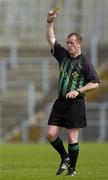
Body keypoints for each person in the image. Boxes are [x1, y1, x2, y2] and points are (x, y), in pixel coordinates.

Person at [46, 9, 99, 176]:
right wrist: (49, 21)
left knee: (71, 136)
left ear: (79, 44)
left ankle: (72, 169)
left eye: (71, 42)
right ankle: (65, 157)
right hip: (60, 102)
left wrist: (78, 90)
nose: (68, 45)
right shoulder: (63, 55)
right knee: (50, 134)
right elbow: (51, 39)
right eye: (67, 42)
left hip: (75, 104)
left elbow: (95, 83)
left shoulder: (85, 62)